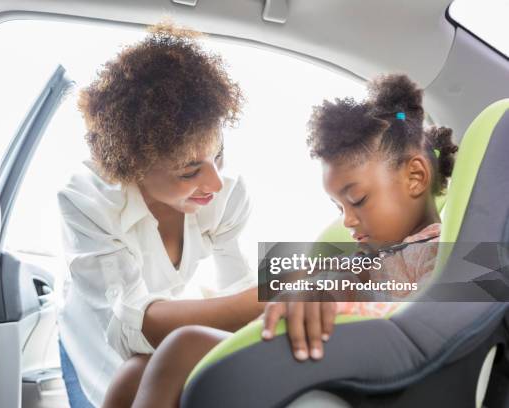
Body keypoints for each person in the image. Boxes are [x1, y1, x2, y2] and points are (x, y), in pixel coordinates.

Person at [127, 73, 458, 407]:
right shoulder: (369, 256)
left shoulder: (439, 254)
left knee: (183, 346)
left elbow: (421, 327)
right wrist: (312, 289)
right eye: (338, 206)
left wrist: (332, 303)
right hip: (315, 353)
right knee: (134, 372)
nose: (347, 220)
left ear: (415, 178)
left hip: (352, 370)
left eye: (357, 199)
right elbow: (335, 280)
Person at [56, 22, 264, 408]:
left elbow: (237, 287)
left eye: (217, 155)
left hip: (149, 349)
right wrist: (275, 297)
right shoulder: (87, 201)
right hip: (92, 344)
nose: (215, 182)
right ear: (134, 166)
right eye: (189, 170)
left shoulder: (227, 195)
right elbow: (127, 326)